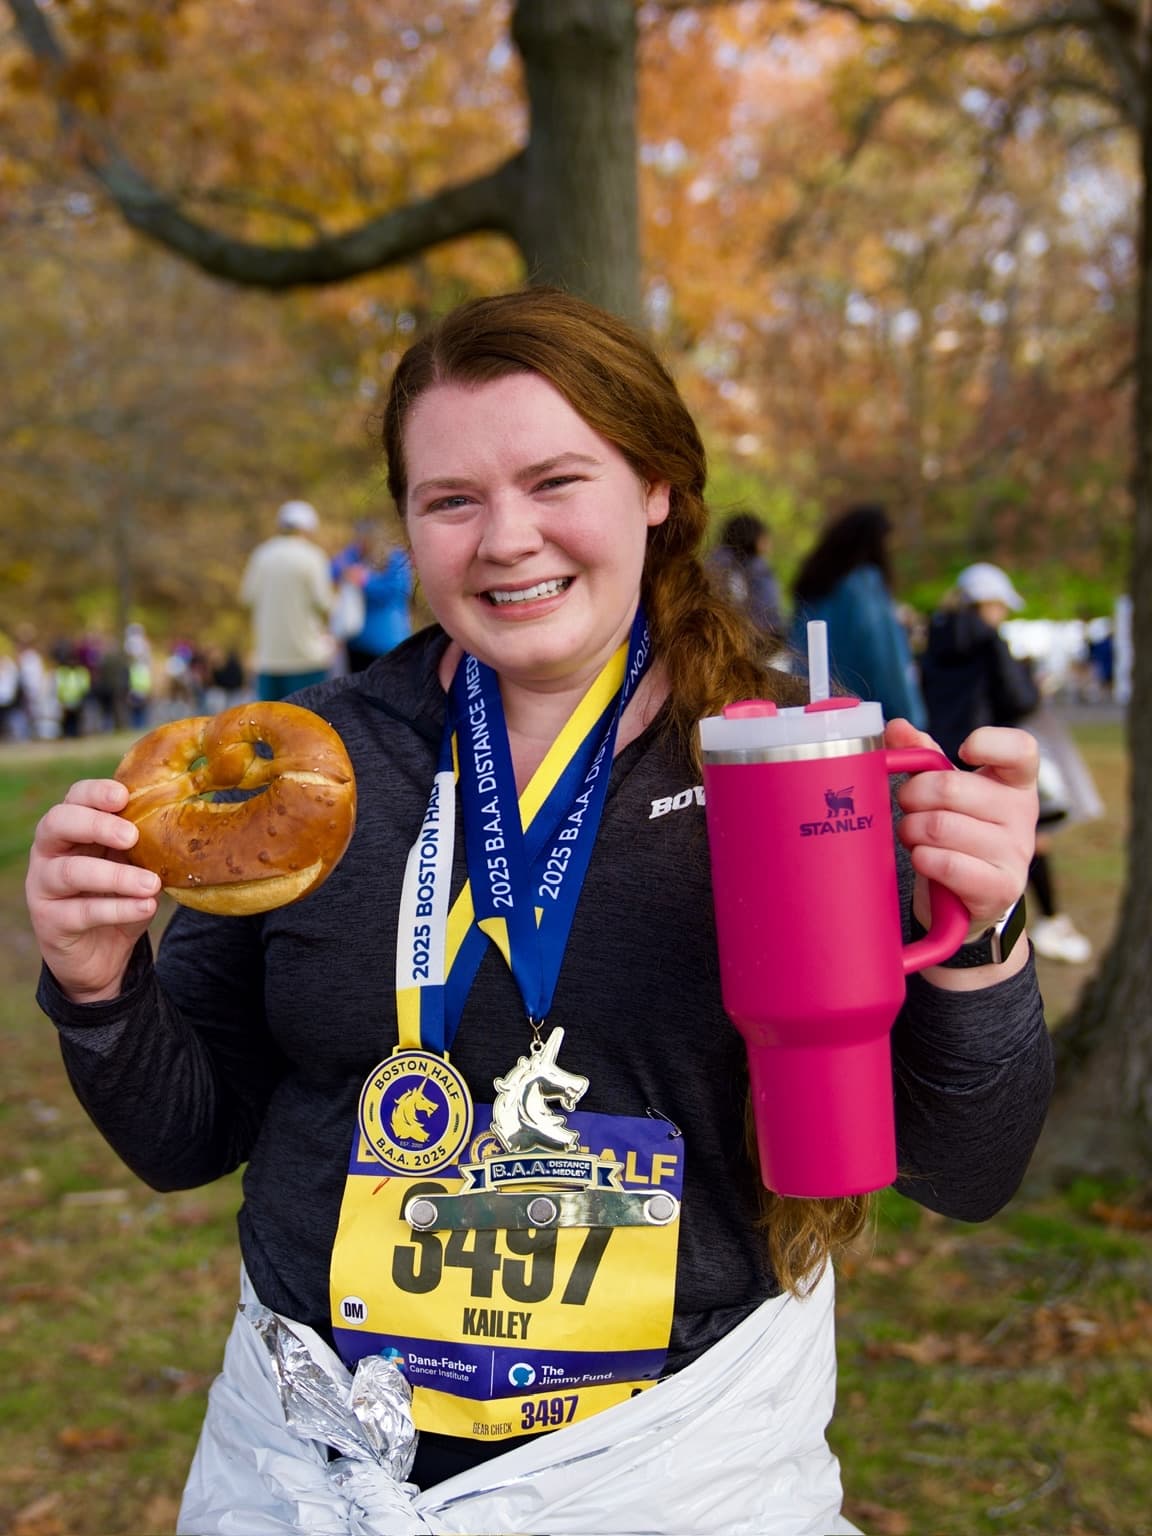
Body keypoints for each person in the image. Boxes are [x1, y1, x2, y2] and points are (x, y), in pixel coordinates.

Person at [26, 290, 1052, 1536]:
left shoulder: (793, 764)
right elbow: (186, 1136)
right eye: (451, 500)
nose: (506, 539)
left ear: (659, 487)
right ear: (408, 523)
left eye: (557, 480)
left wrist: (980, 940)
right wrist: (97, 986)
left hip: (675, 1466)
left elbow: (966, 1168)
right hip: (307, 1466)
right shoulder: (316, 772)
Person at [920, 561, 1094, 966]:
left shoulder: (934, 638)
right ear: (988, 603)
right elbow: (1020, 699)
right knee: (1029, 838)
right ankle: (1048, 921)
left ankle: (966, 932)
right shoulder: (989, 641)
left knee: (960, 845)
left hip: (943, 754)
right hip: (989, 751)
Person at [789, 504, 927, 727]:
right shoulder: (864, 586)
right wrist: (910, 718)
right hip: (867, 724)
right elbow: (886, 661)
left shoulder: (813, 587)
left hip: (815, 723)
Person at [240, 499, 335, 701]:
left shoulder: (261, 555)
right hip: (306, 659)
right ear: (308, 528)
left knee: (268, 728)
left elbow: (247, 597)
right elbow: (324, 603)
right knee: (307, 724)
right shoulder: (313, 556)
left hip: (269, 659)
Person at [331, 517, 415, 672]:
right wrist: (345, 568)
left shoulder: (395, 559)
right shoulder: (355, 555)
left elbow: (396, 592)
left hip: (386, 642)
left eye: (364, 539)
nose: (360, 543)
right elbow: (332, 570)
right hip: (356, 641)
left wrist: (365, 581)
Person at [704, 510, 783, 642]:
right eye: (764, 537)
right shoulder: (755, 567)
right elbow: (768, 608)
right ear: (754, 537)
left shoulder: (713, 562)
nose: (768, 543)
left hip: (721, 637)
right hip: (755, 639)